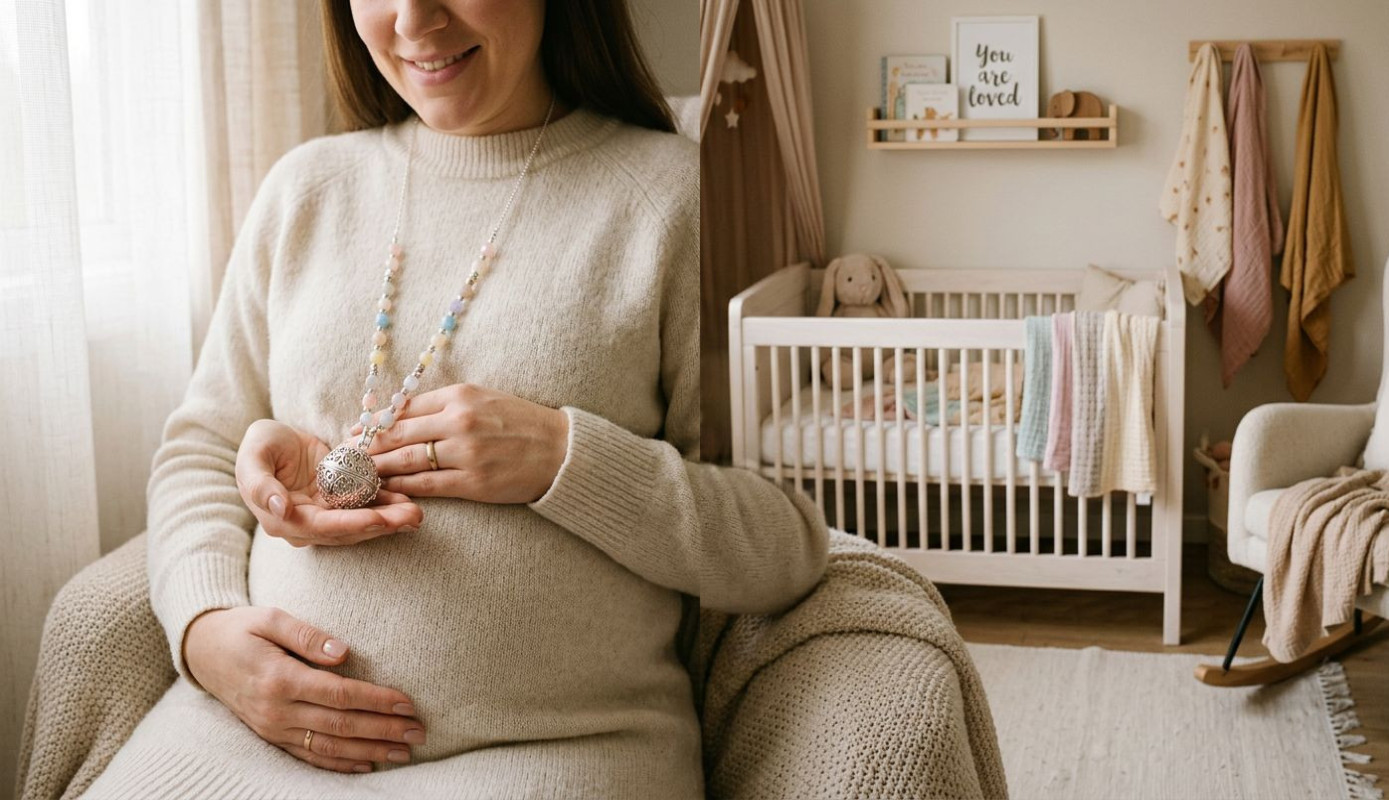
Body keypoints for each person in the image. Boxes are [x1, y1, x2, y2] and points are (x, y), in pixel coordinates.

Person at [78, 0, 829, 797]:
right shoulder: (304, 191)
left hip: (553, 754)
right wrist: (206, 634)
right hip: (246, 737)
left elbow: (784, 545)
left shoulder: (672, 200)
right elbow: (201, 448)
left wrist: (561, 461)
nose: (414, 20)